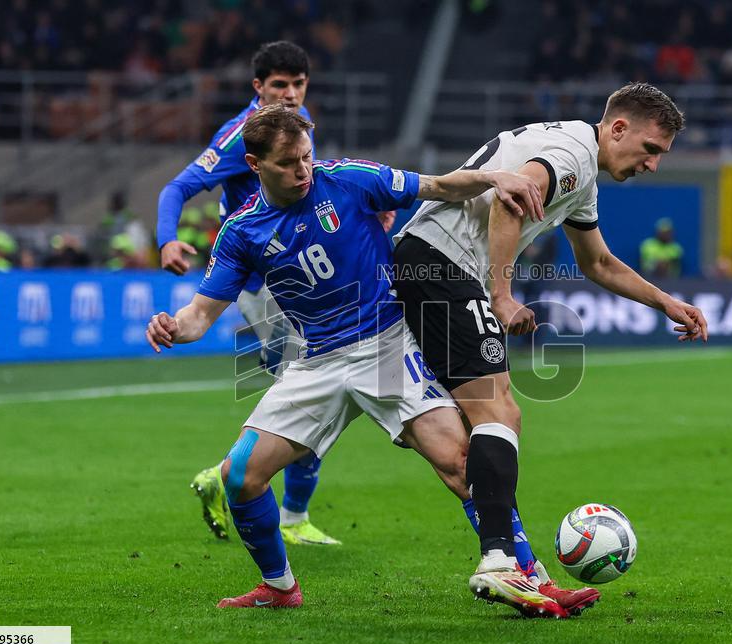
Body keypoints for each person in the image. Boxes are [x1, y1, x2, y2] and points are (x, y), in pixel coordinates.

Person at [145, 105, 596, 616]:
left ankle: (528, 576)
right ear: (254, 165)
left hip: (387, 346)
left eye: (307, 157)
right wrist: (174, 327)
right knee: (240, 477)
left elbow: (440, 186)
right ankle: (279, 587)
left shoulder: (350, 180)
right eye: (289, 163)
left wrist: (495, 176)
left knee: (459, 462)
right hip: (316, 361)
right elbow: (200, 316)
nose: (303, 170)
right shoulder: (242, 232)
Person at [392, 82, 708, 614]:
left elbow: (598, 262)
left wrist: (666, 303)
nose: (651, 165)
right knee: (500, 412)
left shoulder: (579, 169)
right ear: (618, 128)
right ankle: (500, 564)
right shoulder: (572, 156)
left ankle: (524, 572)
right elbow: (510, 198)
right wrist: (501, 294)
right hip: (443, 266)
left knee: (456, 452)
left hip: (424, 266)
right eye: (651, 150)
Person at [155, 41, 339, 546]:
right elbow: (175, 188)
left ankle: (240, 483)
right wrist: (167, 237)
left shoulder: (299, 128)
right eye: (279, 85)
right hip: (264, 285)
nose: (290, 94)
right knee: (318, 393)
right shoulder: (240, 136)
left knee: (316, 393)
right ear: (258, 88)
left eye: (298, 84)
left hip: (299, 278)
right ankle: (284, 512)